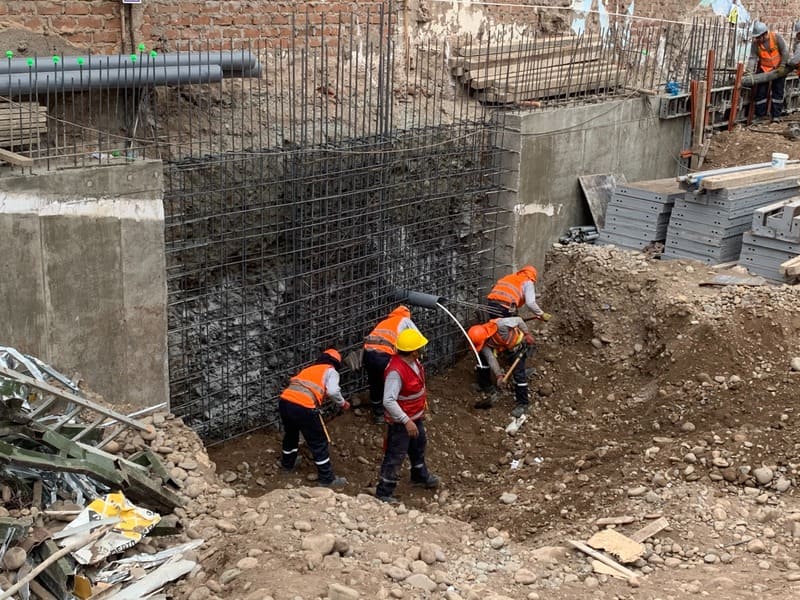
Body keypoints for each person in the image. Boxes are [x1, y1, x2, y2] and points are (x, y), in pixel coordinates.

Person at [375, 328, 440, 503]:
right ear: (413, 352)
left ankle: (419, 475)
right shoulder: (395, 372)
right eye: (419, 348)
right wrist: (406, 421)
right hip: (402, 422)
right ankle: (384, 492)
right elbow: (388, 400)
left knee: (418, 445)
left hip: (414, 417)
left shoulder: (413, 362)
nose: (422, 350)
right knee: (396, 455)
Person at [279, 348, 350, 488]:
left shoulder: (309, 369)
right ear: (336, 363)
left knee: (291, 434)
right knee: (319, 441)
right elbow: (333, 391)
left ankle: (287, 465)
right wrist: (342, 403)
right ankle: (327, 479)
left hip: (285, 402)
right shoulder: (330, 371)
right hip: (304, 406)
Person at [363, 305, 420, 424]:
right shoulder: (405, 320)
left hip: (367, 354)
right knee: (393, 382)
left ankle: (378, 414)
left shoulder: (384, 322)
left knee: (375, 383)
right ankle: (396, 413)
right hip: (384, 355)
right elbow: (417, 338)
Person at [468, 316, 535, 418]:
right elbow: (491, 358)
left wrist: (527, 334)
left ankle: (523, 404)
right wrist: (499, 376)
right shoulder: (484, 343)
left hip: (518, 346)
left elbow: (518, 320)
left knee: (519, 375)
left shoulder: (501, 325)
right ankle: (486, 386)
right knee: (482, 356)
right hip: (506, 349)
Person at [747, 21, 790, 124]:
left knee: (778, 92)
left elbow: (785, 52)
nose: (757, 39)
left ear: (764, 34)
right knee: (761, 93)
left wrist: (782, 65)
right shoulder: (756, 44)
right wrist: (749, 71)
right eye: (756, 37)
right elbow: (752, 58)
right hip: (765, 69)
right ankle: (760, 116)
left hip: (778, 69)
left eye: (758, 37)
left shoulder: (776, 38)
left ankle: (776, 116)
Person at [486, 265, 551, 321]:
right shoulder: (528, 282)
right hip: (504, 308)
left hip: (491, 304)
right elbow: (530, 303)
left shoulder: (510, 277)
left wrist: (513, 314)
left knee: (495, 326)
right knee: (507, 329)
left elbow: (508, 296)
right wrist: (541, 314)